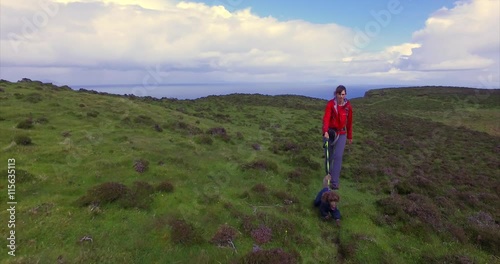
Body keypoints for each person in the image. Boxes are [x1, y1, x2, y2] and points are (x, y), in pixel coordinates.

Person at [322, 85, 353, 190]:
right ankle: (328, 175)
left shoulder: (348, 107)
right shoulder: (331, 104)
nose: (341, 96)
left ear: (345, 95)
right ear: (336, 94)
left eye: (343, 94)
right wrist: (325, 131)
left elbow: (349, 123)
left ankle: (334, 183)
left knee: (338, 156)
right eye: (339, 94)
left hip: (342, 133)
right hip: (330, 133)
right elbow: (326, 118)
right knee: (329, 156)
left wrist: (349, 136)